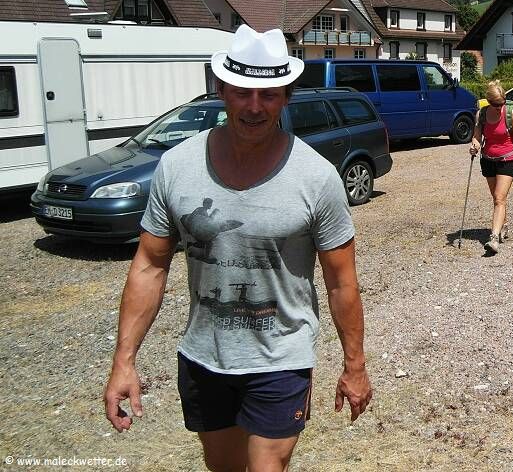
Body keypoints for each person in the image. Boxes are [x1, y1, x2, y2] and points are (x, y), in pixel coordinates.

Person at [103, 25, 372, 471]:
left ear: (286, 97)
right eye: (243, 91)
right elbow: (149, 265)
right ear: (221, 90)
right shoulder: (177, 167)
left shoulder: (317, 177)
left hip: (281, 356)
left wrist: (355, 366)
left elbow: (342, 282)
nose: (254, 106)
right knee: (221, 465)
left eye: (268, 94)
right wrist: (123, 362)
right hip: (204, 356)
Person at [469, 80, 513, 254]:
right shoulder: (482, 114)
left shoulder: (510, 112)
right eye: (496, 104)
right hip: (488, 159)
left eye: (502, 103)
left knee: (500, 198)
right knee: (496, 198)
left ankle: (493, 238)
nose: (500, 107)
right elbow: (477, 137)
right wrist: (475, 146)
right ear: (489, 101)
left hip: (508, 159)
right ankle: (503, 225)